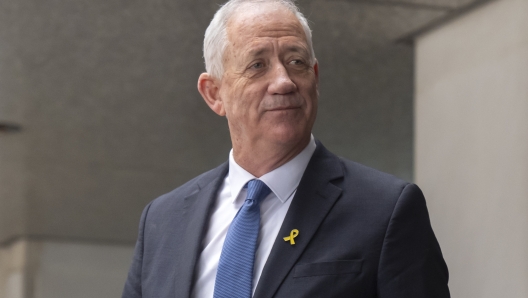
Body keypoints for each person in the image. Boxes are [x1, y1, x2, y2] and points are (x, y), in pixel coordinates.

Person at [122, 0, 450, 297]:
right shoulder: (162, 221)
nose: (283, 82)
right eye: (257, 65)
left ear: (315, 76)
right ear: (214, 94)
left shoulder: (386, 210)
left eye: (296, 62)